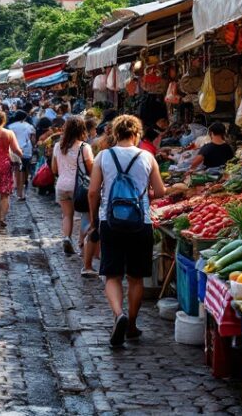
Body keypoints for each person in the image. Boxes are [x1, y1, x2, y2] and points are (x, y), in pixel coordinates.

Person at [88, 114, 166, 346]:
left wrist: (94, 220)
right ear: (136, 133)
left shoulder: (103, 156)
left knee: (112, 274)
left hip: (110, 221)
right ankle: (131, 324)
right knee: (135, 277)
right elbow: (160, 191)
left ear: (114, 133)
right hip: (140, 222)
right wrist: (145, 193)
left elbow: (93, 191)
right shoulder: (147, 156)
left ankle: (118, 314)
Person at [51, 116, 94, 258]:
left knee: (67, 215)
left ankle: (66, 238)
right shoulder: (84, 147)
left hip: (62, 185)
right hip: (80, 187)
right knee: (85, 215)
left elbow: (54, 169)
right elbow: (91, 169)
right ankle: (82, 243)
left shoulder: (58, 146)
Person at [8, 110, 37, 201]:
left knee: (16, 170)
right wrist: (34, 147)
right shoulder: (30, 126)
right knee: (24, 168)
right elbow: (32, 139)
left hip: (14, 150)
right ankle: (22, 189)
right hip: (26, 150)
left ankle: (17, 189)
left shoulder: (10, 126)